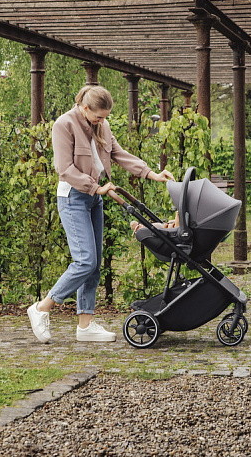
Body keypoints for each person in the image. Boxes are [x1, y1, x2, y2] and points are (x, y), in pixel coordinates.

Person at [27, 85, 175, 343]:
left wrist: (152, 173)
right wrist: (96, 187)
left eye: (105, 117)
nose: (102, 121)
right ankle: (42, 308)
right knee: (84, 261)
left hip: (94, 198)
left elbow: (119, 154)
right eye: (98, 116)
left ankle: (85, 326)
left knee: (94, 265)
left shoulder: (102, 126)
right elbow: (64, 169)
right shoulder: (64, 125)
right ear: (84, 108)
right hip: (73, 197)